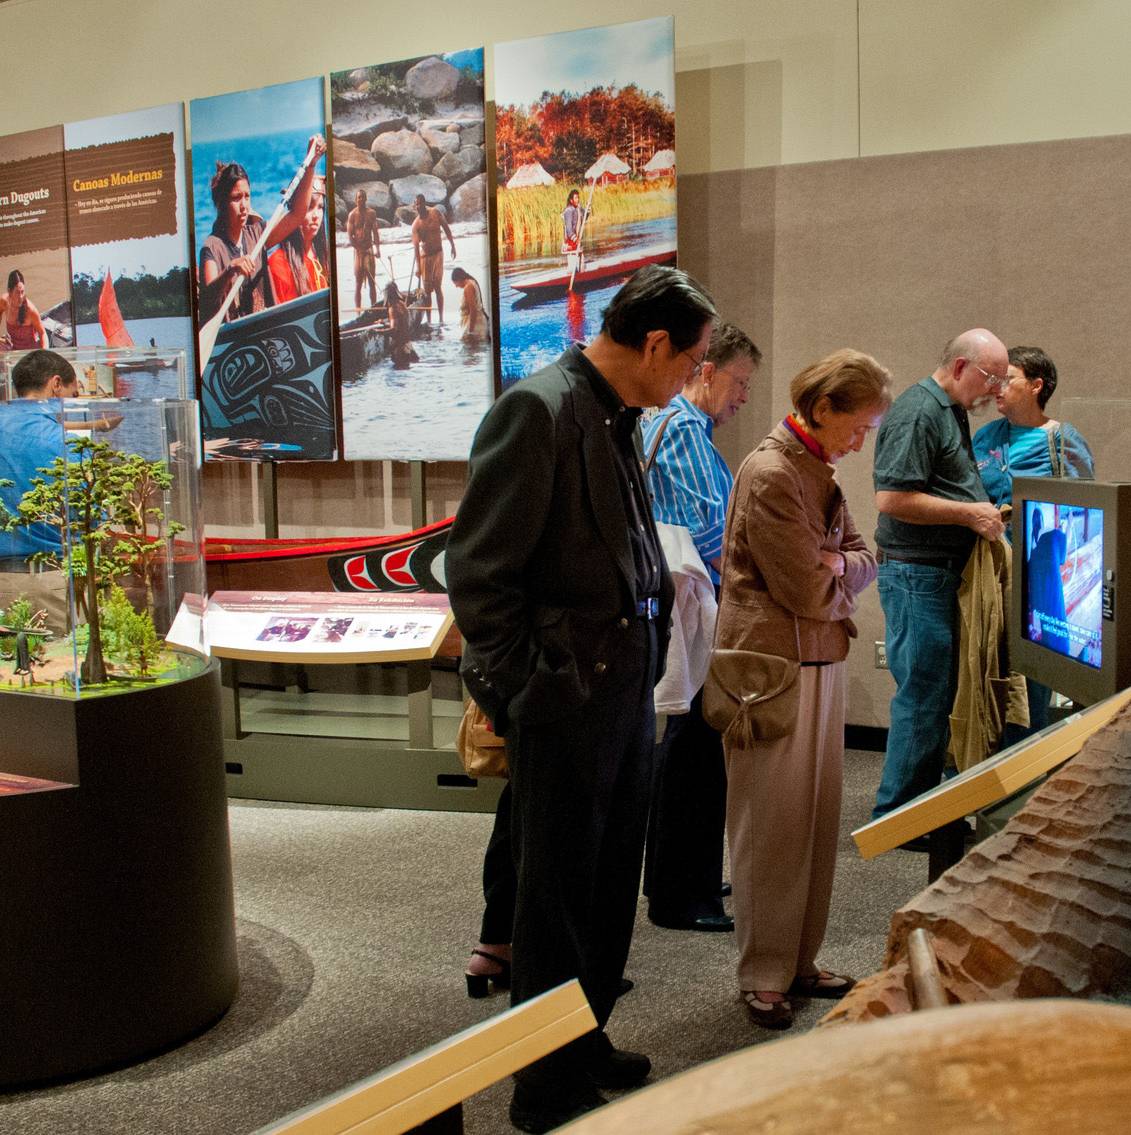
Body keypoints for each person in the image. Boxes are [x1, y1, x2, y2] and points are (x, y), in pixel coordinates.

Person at [449, 265, 714, 1134]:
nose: (693, 379)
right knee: (556, 900)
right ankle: (544, 1084)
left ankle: (583, 1036)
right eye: (692, 361)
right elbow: (479, 576)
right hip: (567, 699)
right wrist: (531, 690)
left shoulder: (613, 411)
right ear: (656, 344)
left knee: (605, 886)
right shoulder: (539, 408)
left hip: (623, 690)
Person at [718, 348, 888, 1028]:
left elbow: (865, 558)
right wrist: (839, 572)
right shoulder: (771, 472)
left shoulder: (816, 469)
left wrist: (837, 564)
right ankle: (763, 972)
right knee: (772, 827)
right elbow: (804, 590)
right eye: (860, 425)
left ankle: (797, 961)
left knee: (814, 823)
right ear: (822, 408)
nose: (863, 440)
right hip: (772, 671)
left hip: (818, 659)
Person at [638, 321, 758, 934]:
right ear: (706, 371)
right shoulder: (683, 426)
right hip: (693, 604)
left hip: (685, 602)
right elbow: (711, 531)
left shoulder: (677, 425)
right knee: (694, 751)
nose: (744, 397)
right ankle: (683, 893)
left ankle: (682, 877)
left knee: (687, 745)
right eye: (739, 383)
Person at [871, 329, 1009, 821]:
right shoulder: (918, 411)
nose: (996, 391)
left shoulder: (948, 410)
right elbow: (892, 499)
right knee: (923, 696)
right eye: (990, 378)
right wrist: (971, 514)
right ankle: (899, 818)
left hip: (934, 574)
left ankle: (921, 811)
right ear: (960, 367)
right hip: (917, 575)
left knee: (936, 694)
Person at [969, 345, 1095, 743]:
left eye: (1007, 379)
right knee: (986, 660)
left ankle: (1027, 758)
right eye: (994, 380)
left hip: (1038, 569)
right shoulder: (987, 437)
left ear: (1037, 386)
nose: (996, 388)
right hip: (989, 566)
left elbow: (1086, 504)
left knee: (1033, 665)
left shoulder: (1062, 440)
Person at [0, 349, 118, 625]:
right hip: (56, 586)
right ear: (56, 384)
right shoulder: (68, 443)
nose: (71, 403)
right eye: (73, 394)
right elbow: (90, 519)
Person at [197, 135, 326, 320]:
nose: (244, 205)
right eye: (236, 198)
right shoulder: (212, 246)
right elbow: (208, 299)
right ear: (222, 202)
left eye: (247, 196)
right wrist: (229, 271)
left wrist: (311, 163)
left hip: (262, 328)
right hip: (233, 334)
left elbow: (297, 215)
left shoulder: (257, 235)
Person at [266, 178, 329, 301]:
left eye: (320, 207)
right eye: (309, 207)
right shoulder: (278, 263)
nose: (316, 216)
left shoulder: (323, 256)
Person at [411, 194, 457, 323]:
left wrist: (452, 246)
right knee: (427, 291)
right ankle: (429, 320)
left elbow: (446, 228)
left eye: (420, 204)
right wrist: (418, 268)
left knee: (438, 287)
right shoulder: (416, 225)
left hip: (438, 254)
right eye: (416, 204)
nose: (418, 207)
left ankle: (441, 318)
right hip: (425, 257)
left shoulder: (435, 213)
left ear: (424, 203)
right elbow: (416, 248)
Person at [0, 270, 46, 351]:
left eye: (22, 292)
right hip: (13, 348)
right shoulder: (5, 301)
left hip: (29, 352)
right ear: (9, 292)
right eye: (17, 293)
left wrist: (44, 353)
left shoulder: (30, 310)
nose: (21, 297)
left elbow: (42, 333)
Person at [346, 188, 382, 310]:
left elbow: (375, 232)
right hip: (358, 252)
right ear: (356, 200)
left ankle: (374, 309)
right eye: (359, 197)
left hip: (369, 250)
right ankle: (358, 310)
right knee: (358, 283)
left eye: (363, 197)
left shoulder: (371, 213)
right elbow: (350, 235)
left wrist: (378, 249)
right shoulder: (352, 215)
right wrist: (358, 248)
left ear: (366, 199)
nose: (361, 199)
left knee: (372, 282)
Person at [452, 266, 489, 344]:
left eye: (455, 283)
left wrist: (470, 331)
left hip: (475, 325)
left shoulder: (468, 287)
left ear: (459, 280)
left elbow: (473, 309)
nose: (456, 286)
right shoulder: (472, 282)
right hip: (478, 322)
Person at [561, 188, 589, 274]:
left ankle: (582, 275)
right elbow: (569, 230)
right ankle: (571, 276)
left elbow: (584, 217)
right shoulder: (569, 211)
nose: (577, 200)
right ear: (571, 200)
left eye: (578, 198)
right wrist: (575, 239)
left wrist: (588, 207)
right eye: (576, 198)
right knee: (572, 266)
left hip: (577, 241)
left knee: (581, 264)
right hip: (571, 242)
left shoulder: (578, 208)